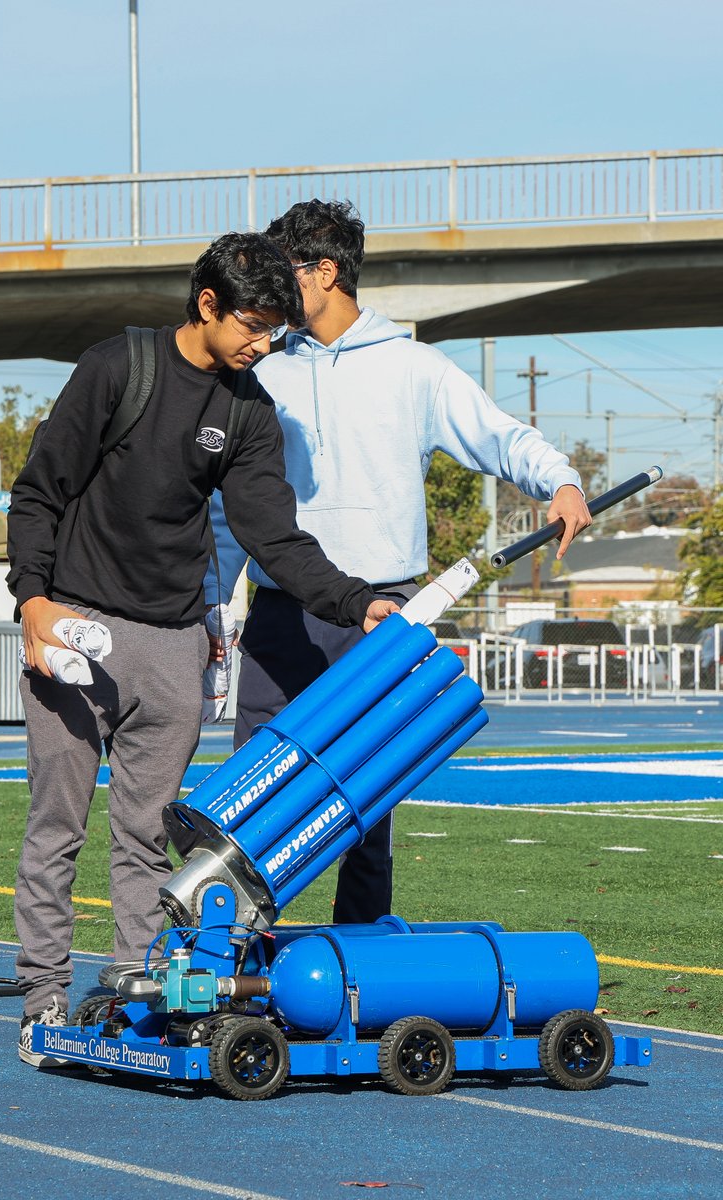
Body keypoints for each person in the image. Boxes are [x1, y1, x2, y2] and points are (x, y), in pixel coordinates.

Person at [6, 231, 396, 1066]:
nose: (263, 346)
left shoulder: (250, 410)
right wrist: (33, 604)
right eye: (254, 326)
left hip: (174, 640)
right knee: (56, 827)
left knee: (151, 835)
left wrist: (359, 603)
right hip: (73, 626)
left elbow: (276, 538)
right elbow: (39, 491)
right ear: (208, 304)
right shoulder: (119, 367)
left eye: (278, 333)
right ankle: (41, 1000)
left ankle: (133, 992)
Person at [209, 200, 592, 925]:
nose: (266, 288)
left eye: (282, 269)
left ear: (324, 272)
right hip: (282, 617)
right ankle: (236, 971)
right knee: (250, 802)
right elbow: (229, 510)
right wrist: (206, 603)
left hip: (384, 617)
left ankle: (357, 970)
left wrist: (562, 479)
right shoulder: (262, 372)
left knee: (365, 815)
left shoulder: (414, 367)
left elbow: (500, 436)